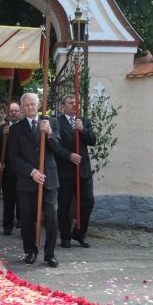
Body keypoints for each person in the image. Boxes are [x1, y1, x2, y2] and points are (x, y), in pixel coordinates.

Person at [7, 92, 60, 267]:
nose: (30, 107)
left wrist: (50, 133)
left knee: (51, 217)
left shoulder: (51, 122)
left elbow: (58, 148)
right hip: (27, 180)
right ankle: (30, 251)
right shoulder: (16, 129)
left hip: (48, 179)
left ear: (39, 105)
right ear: (22, 108)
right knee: (28, 218)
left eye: (33, 104)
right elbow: (13, 158)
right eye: (27, 105)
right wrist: (31, 171)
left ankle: (50, 254)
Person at [54, 94, 96, 248]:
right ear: (63, 106)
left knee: (88, 201)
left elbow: (92, 140)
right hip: (65, 171)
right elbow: (54, 146)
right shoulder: (57, 122)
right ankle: (65, 235)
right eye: (71, 103)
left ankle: (80, 233)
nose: (74, 105)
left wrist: (82, 130)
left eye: (76, 102)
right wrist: (68, 155)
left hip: (83, 170)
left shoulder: (84, 121)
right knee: (64, 205)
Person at [0, 101, 21, 235]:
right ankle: (7, 225)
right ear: (7, 113)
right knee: (9, 199)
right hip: (8, 169)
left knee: (22, 199)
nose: (14, 113)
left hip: (22, 169)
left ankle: (21, 220)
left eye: (16, 110)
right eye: (11, 111)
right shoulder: (1, 129)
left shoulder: (24, 127)